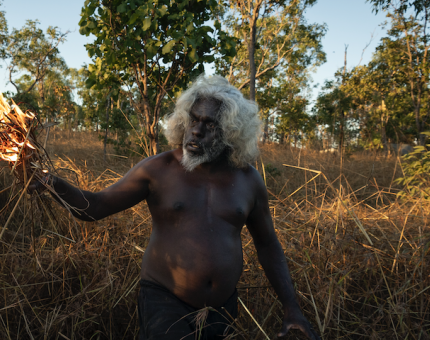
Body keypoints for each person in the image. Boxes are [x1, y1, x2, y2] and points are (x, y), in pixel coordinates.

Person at [31, 75, 319, 340]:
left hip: (222, 309)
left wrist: (291, 307)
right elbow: (94, 207)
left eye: (210, 125)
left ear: (231, 132)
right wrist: (50, 182)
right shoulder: (159, 169)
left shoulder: (247, 180)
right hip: (164, 301)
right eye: (194, 120)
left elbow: (268, 245)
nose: (195, 131)